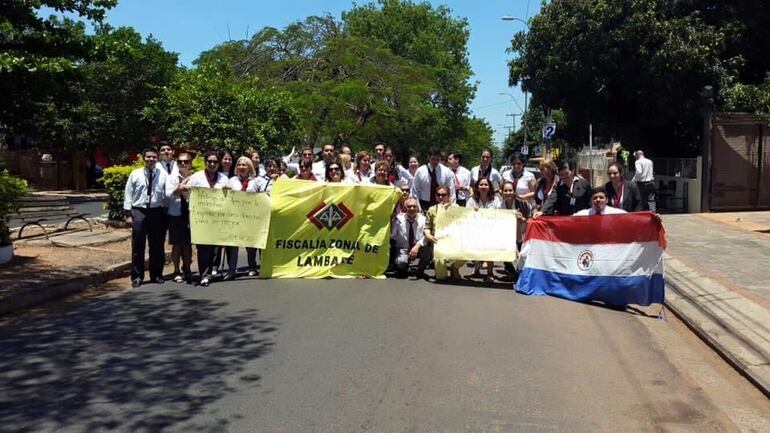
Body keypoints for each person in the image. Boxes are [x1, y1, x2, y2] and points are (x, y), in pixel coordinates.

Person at [124, 148, 168, 288]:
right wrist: (127, 214)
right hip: (139, 211)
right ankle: (137, 276)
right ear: (144, 158)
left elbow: (168, 193)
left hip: (157, 211)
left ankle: (156, 274)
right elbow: (128, 193)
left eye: (154, 157)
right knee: (138, 245)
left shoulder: (163, 175)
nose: (151, 159)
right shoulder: (135, 174)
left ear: (157, 159)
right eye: (148, 157)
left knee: (157, 245)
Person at [187, 150, 229, 286]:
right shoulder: (196, 177)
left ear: (218, 163)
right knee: (203, 247)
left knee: (215, 248)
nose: (212, 164)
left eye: (215, 162)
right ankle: (204, 274)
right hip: (201, 219)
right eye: (209, 161)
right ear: (205, 162)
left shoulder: (223, 178)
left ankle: (211, 271)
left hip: (217, 218)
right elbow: (188, 194)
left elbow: (231, 197)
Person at [423, 186, 465, 280]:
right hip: (438, 242)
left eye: (444, 195)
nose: (441, 197)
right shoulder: (432, 209)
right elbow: (427, 227)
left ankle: (454, 268)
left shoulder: (456, 208)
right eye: (439, 195)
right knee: (441, 277)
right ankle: (442, 268)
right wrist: (428, 235)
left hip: (454, 241)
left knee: (467, 253)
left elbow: (465, 220)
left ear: (448, 196)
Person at [166, 151, 193, 284]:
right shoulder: (171, 178)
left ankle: (187, 269)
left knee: (187, 244)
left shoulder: (194, 178)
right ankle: (176, 271)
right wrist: (179, 189)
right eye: (180, 161)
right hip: (175, 214)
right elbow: (166, 195)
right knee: (176, 244)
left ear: (190, 164)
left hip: (190, 215)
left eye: (186, 161)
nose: (183, 164)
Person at [466, 177, 500, 282]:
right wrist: (473, 211)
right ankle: (476, 270)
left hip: (491, 229)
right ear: (477, 187)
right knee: (476, 248)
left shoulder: (496, 200)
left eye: (486, 185)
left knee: (490, 250)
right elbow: (466, 213)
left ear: (490, 187)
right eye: (481, 185)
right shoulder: (472, 200)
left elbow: (500, 213)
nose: (483, 187)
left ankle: (490, 273)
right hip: (476, 229)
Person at [499, 180, 531, 275]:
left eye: (510, 190)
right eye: (505, 191)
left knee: (523, 256)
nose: (508, 193)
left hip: (522, 233)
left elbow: (531, 221)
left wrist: (523, 218)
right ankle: (509, 269)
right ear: (502, 192)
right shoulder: (500, 205)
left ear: (514, 191)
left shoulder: (524, 204)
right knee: (503, 250)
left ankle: (522, 273)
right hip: (506, 234)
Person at [390, 197, 427, 278]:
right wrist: (391, 224)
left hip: (419, 247)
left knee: (427, 249)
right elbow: (392, 236)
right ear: (405, 207)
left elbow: (426, 236)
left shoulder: (423, 219)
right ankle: (404, 266)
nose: (412, 208)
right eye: (409, 206)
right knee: (401, 263)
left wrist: (417, 246)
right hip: (403, 248)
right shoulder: (398, 219)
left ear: (418, 207)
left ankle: (420, 270)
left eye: (414, 206)